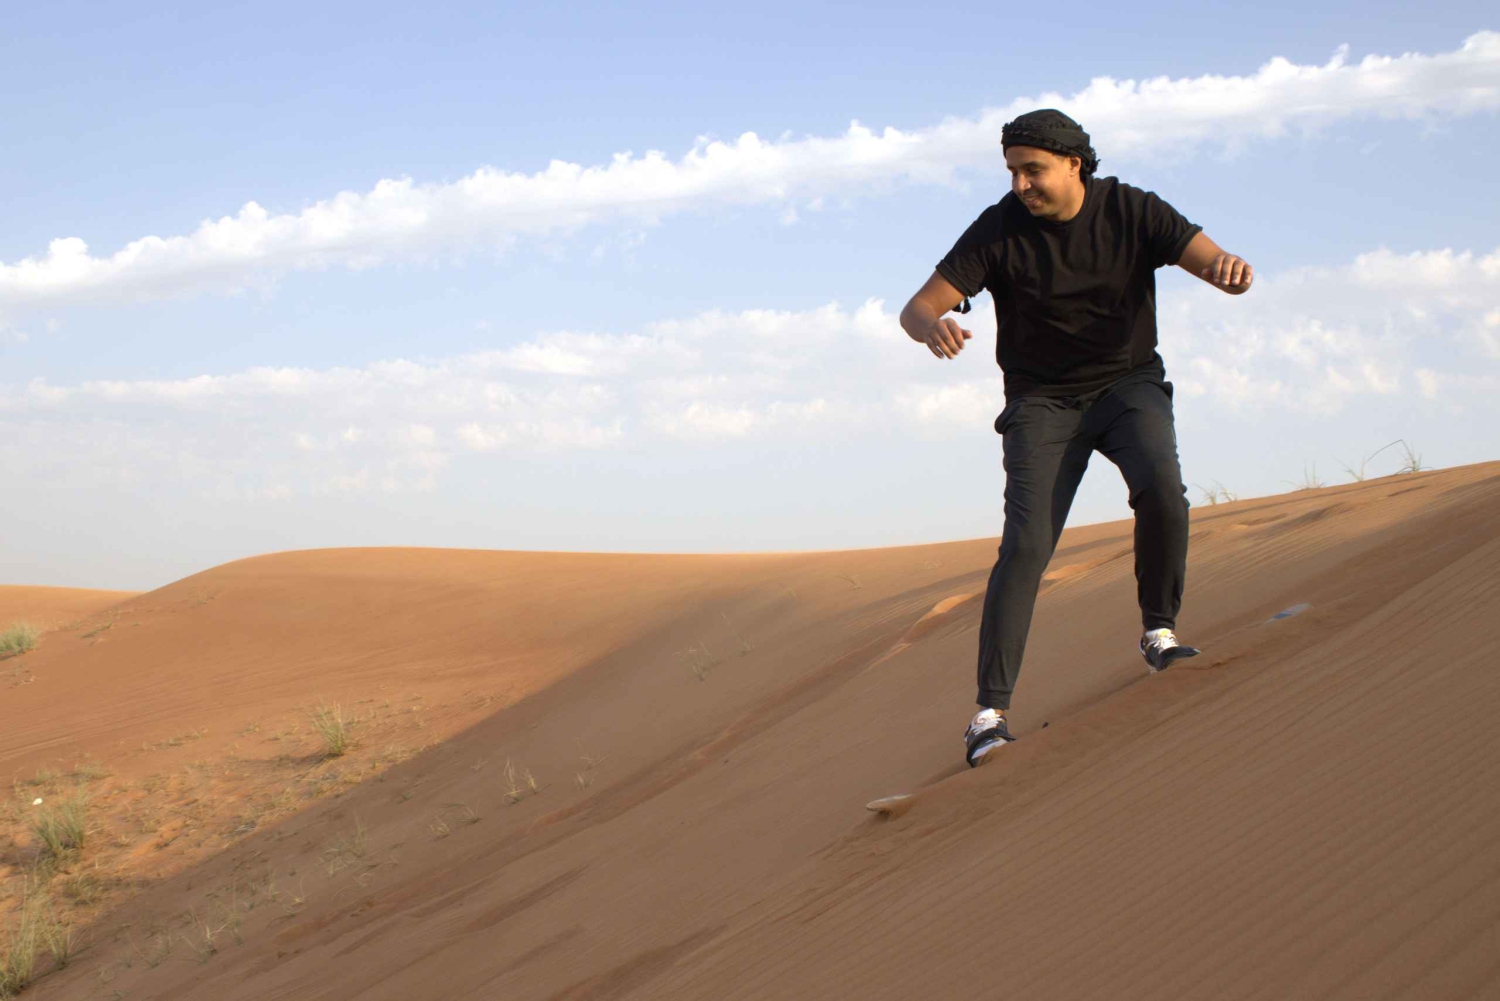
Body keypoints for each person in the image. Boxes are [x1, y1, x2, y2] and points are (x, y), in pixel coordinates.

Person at [897, 109, 1254, 767]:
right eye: (1012, 172)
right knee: (1028, 546)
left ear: (1074, 165)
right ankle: (988, 715)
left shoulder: (1130, 210)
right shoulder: (998, 228)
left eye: (1032, 170)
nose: (1022, 184)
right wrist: (931, 327)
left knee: (1163, 492)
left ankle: (1159, 632)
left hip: (1127, 386)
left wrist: (1226, 269)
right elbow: (918, 305)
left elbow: (1206, 257)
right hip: (1042, 405)